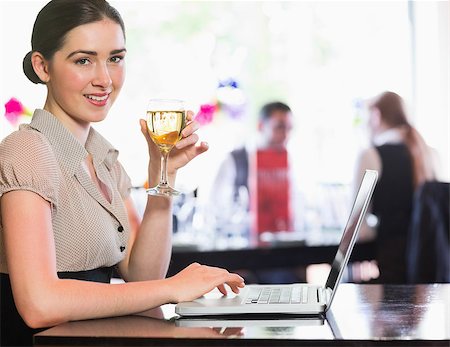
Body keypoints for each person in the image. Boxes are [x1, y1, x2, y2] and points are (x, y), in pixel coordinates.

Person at [0, 1, 244, 345]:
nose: (105, 79)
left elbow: (142, 274)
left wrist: (164, 174)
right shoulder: (27, 150)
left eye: (115, 58)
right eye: (83, 60)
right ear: (43, 66)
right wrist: (173, 288)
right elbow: (39, 304)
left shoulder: (104, 160)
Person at [353, 91, 437, 283]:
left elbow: (360, 230)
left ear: (376, 115)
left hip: (392, 278)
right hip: (432, 278)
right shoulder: (431, 154)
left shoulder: (371, 155)